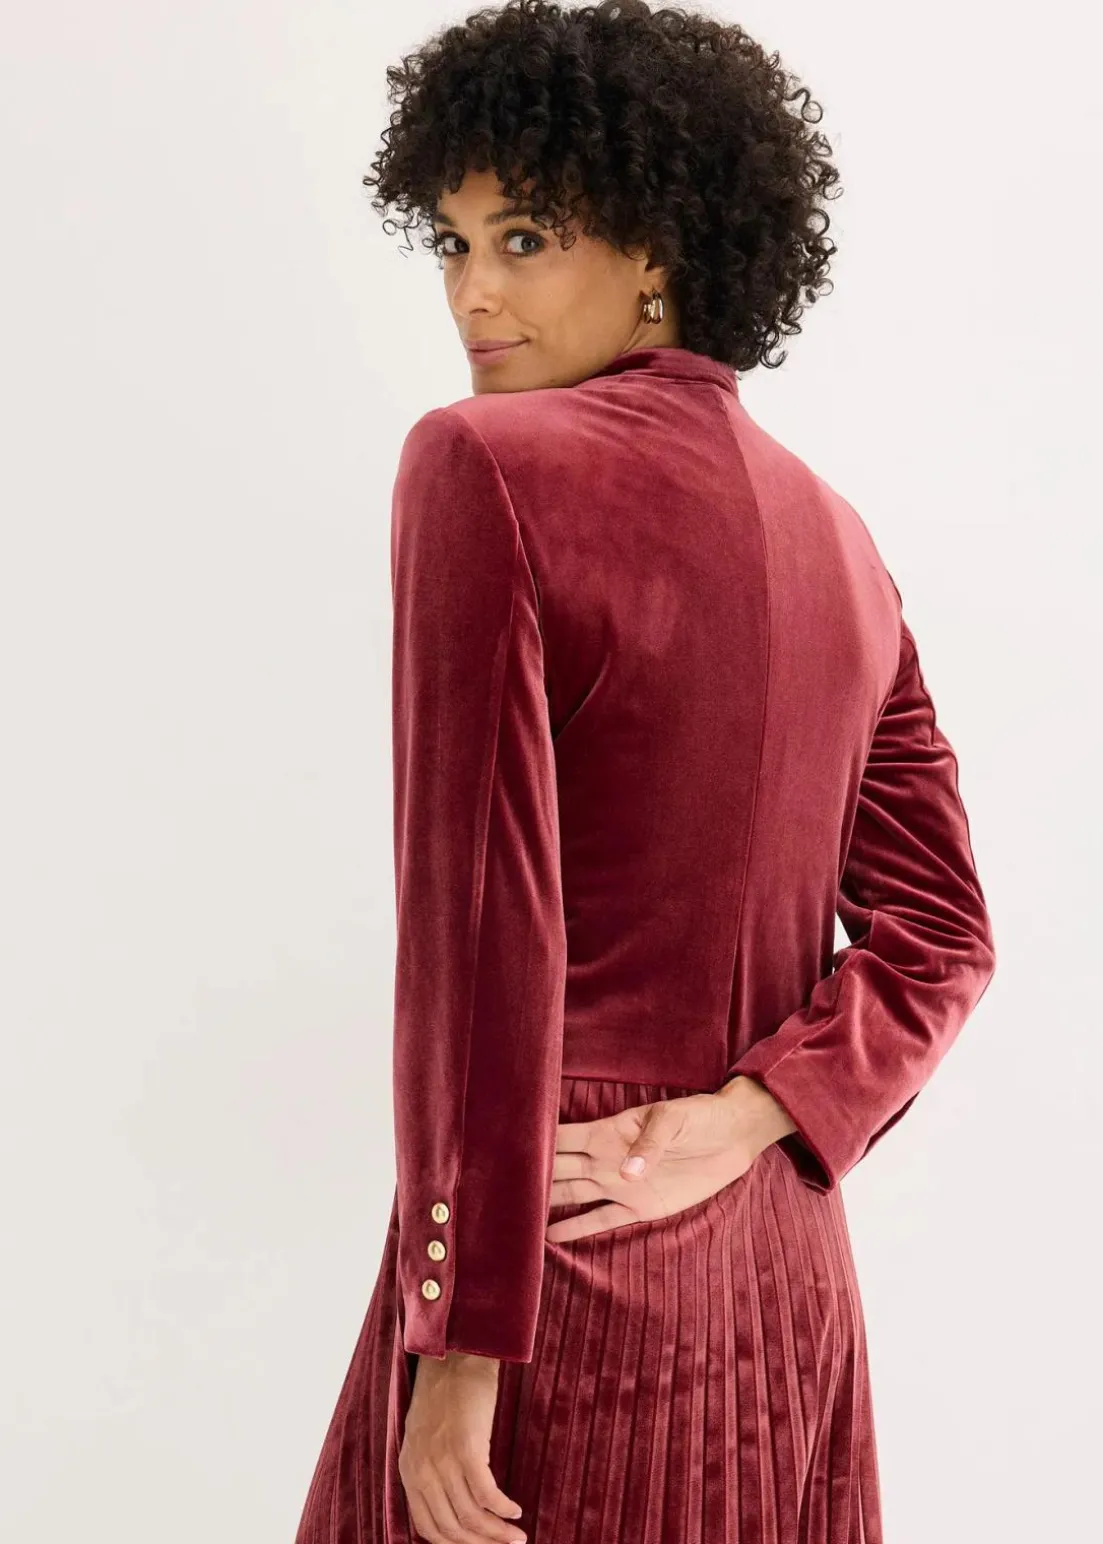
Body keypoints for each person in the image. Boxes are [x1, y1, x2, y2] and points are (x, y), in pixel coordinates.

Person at [295, 2, 996, 1541]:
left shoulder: (483, 464)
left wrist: (456, 1337)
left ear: (659, 248)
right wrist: (752, 1113)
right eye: (450, 241)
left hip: (558, 1240)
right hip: (778, 1266)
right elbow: (945, 936)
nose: (471, 292)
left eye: (524, 238)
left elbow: (483, 930)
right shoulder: (840, 539)